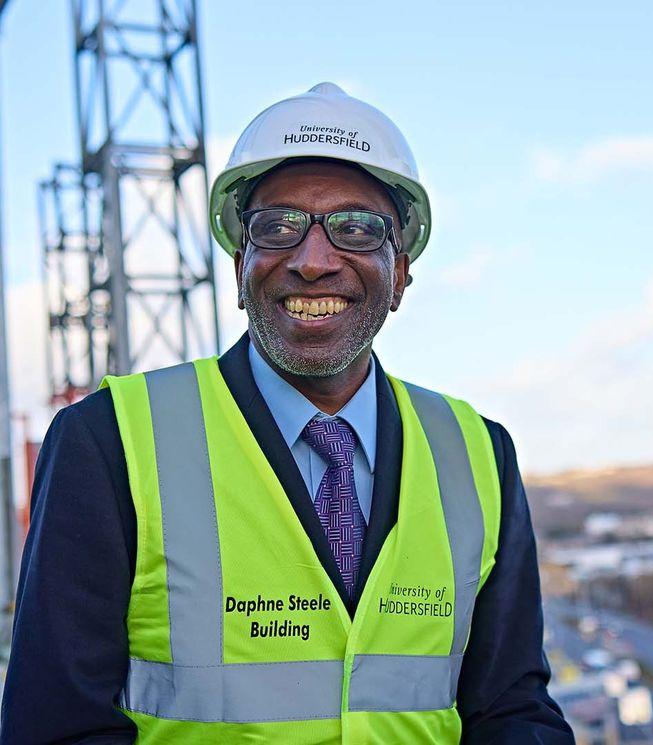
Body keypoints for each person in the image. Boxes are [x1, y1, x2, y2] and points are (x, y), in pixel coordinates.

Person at [1, 83, 573, 744]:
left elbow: (510, 706)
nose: (313, 261)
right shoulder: (111, 441)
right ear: (241, 262)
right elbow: (57, 727)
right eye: (277, 227)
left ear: (401, 273)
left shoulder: (477, 453)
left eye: (357, 228)